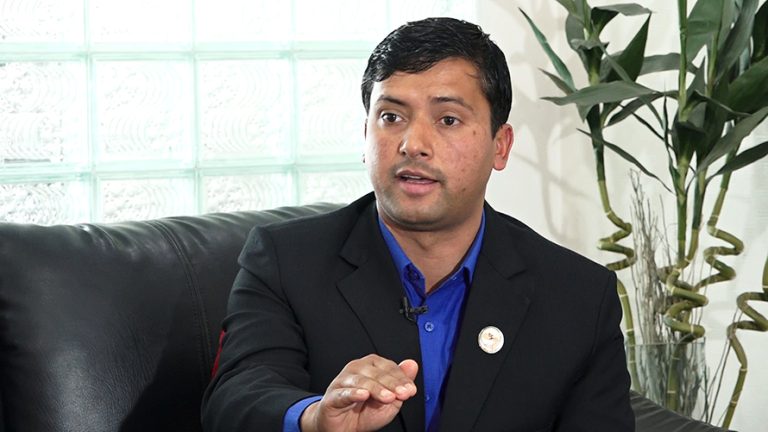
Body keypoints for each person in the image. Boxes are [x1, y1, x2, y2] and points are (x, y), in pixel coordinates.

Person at [201, 17, 634, 432]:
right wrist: (315, 418)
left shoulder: (578, 297)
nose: (413, 145)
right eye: (391, 117)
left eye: (448, 120)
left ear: (500, 146)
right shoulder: (285, 261)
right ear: (365, 136)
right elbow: (236, 398)